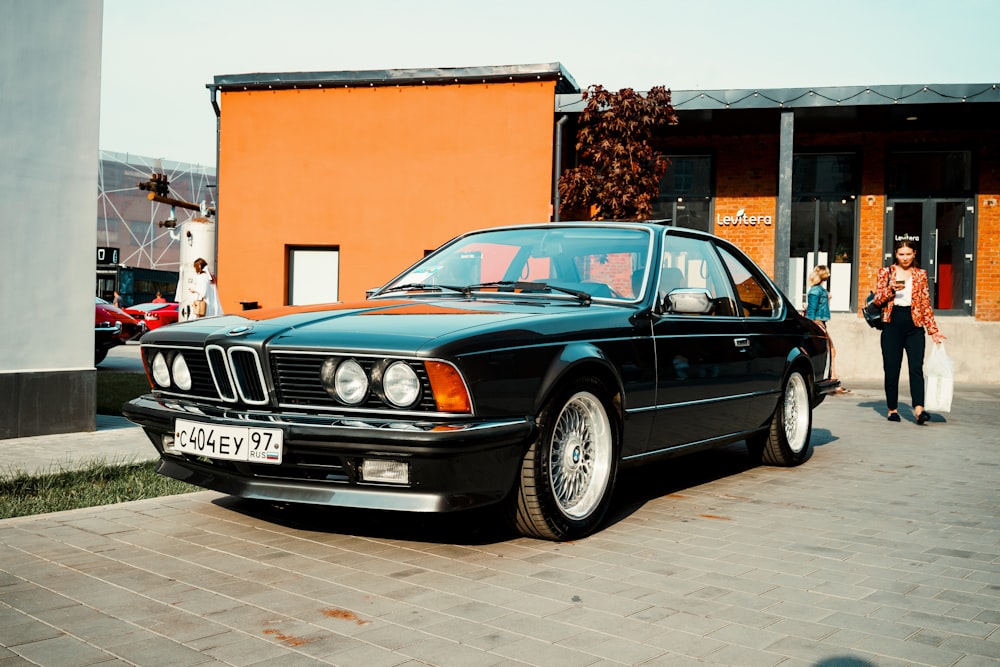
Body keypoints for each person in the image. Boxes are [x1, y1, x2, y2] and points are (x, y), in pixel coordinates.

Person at [872, 240, 946, 424]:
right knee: (891, 369)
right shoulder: (886, 272)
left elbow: (925, 304)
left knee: (916, 368)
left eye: (908, 254)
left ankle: (919, 410)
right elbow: (877, 300)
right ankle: (892, 409)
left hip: (914, 325)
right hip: (892, 323)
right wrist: (891, 290)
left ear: (914, 254)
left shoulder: (921, 275)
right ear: (896, 255)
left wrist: (933, 331)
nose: (905, 258)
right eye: (901, 254)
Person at [805, 265, 847, 393]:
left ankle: (833, 380)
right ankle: (832, 382)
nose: (829, 274)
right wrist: (812, 326)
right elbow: (811, 309)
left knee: (831, 351)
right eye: (827, 273)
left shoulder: (819, 290)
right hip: (817, 323)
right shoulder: (815, 291)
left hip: (821, 322)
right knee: (830, 351)